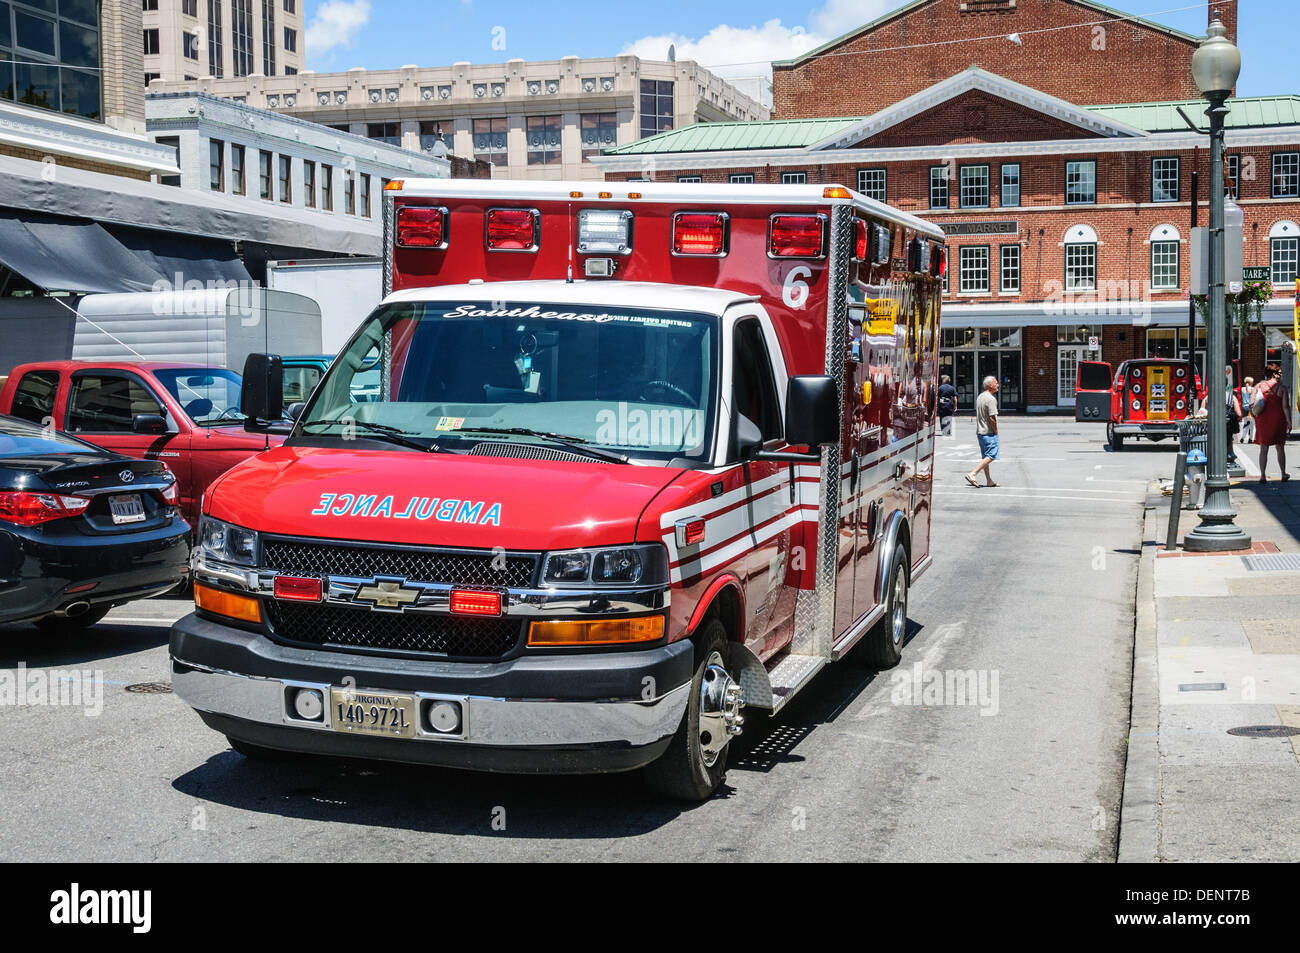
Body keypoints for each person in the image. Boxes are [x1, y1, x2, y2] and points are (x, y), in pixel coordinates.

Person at [1253, 362, 1290, 483]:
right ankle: (1283, 474)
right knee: (1280, 448)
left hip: (1263, 420)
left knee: (1263, 449)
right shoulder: (1282, 388)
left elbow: (1252, 404)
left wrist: (1255, 418)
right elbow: (1285, 407)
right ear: (1274, 374)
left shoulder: (1258, 386)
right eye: (1279, 372)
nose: (1281, 374)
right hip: (1279, 421)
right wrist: (1289, 422)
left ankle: (1262, 476)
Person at [966, 376, 999, 487]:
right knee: (992, 455)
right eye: (996, 383)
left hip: (980, 431)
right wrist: (996, 431)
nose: (998, 385)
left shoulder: (980, 396)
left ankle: (989, 480)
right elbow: (992, 418)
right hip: (988, 432)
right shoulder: (991, 399)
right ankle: (973, 473)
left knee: (985, 456)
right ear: (990, 385)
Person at [1239, 376, 1256, 443]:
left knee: (1246, 423)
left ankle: (1243, 437)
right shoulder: (1252, 389)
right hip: (1250, 408)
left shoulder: (1242, 389)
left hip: (1244, 408)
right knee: (1252, 424)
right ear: (1251, 382)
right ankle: (1251, 438)